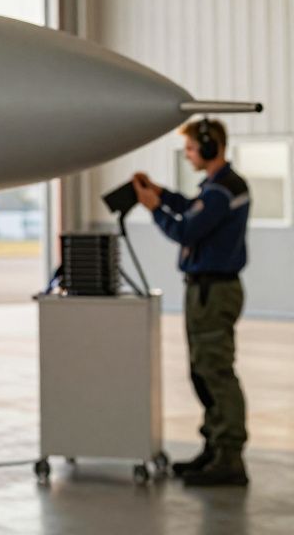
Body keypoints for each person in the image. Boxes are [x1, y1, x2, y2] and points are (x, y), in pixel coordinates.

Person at [132, 117, 250, 487]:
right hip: (207, 289)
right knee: (204, 370)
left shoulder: (220, 192)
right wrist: (163, 194)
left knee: (215, 372)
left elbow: (186, 228)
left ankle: (228, 457)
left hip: (212, 292)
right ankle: (215, 448)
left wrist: (153, 208)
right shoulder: (219, 188)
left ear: (209, 147)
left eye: (190, 150)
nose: (188, 156)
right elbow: (191, 208)